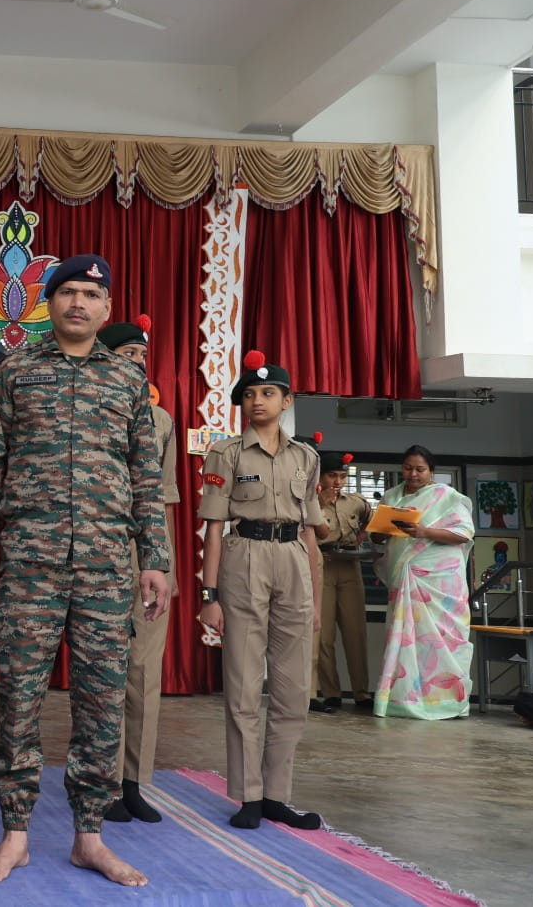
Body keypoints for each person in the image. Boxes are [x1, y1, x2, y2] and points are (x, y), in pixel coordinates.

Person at [0, 254, 171, 888]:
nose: (78, 303)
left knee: (103, 704)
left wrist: (156, 560)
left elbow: (146, 480)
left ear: (106, 309)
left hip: (109, 567)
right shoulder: (13, 372)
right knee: (19, 698)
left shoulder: (128, 383)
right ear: (47, 303)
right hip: (29, 561)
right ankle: (15, 834)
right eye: (67, 293)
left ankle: (90, 836)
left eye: (91, 294)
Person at [196, 350, 324, 831]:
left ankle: (277, 795)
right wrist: (209, 597)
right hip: (243, 558)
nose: (257, 402)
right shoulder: (226, 454)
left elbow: (310, 531)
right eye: (248, 395)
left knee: (294, 691)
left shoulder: (306, 458)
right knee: (244, 686)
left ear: (287, 400)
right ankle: (248, 795)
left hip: (293, 560)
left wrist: (313, 595)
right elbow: (212, 529)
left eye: (268, 393)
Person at [95, 316, 181, 825]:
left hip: (143, 554)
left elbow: (165, 498)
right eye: (126, 355)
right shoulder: (85, 410)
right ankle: (98, 778)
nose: (136, 365)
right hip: (96, 550)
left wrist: (162, 564)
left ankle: (132, 782)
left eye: (141, 358)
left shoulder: (162, 421)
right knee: (101, 671)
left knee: (144, 671)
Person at [369, 445, 475, 720]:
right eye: (407, 468)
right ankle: (401, 699)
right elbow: (378, 538)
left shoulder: (447, 496)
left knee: (439, 640)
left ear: (431, 472)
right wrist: (381, 529)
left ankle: (445, 702)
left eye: (420, 469)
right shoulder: (392, 496)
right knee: (404, 640)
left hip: (437, 584)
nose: (413, 474)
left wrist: (424, 531)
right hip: (403, 579)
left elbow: (463, 534)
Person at [310, 451, 375, 713]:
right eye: (332, 475)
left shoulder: (356, 502)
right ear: (320, 476)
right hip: (323, 563)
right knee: (323, 634)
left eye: (342, 476)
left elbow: (372, 519)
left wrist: (361, 536)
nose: (338, 481)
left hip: (350, 564)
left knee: (355, 632)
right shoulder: (311, 501)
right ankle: (331, 692)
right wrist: (317, 501)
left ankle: (361, 693)